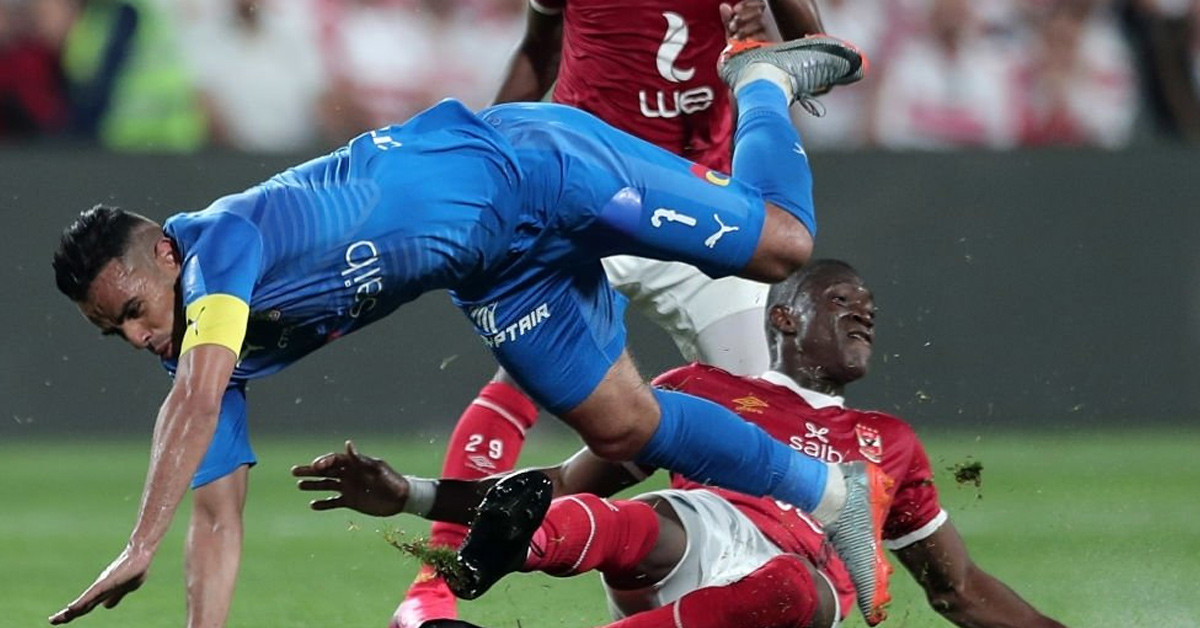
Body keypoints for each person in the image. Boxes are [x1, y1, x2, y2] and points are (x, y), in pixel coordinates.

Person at [47, 38, 888, 627]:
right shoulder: (202, 349)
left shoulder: (221, 244)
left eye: (133, 310)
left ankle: (760, 80)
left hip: (537, 168)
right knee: (625, 428)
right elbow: (216, 520)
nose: (137, 336)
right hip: (497, 268)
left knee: (783, 246)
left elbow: (195, 398)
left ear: (166, 254)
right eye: (112, 332)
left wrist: (138, 543)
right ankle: (833, 493)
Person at [294, 260, 1069, 628]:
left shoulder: (890, 441)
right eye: (842, 300)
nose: (864, 314)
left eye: (870, 307)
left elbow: (958, 589)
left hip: (799, 579)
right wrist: (410, 494)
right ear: (785, 317)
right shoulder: (702, 388)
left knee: (788, 587)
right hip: (698, 537)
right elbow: (560, 485)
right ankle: (495, 559)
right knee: (629, 519)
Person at [395, 2, 828, 625]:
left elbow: (815, 50)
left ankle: (733, 591)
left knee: (762, 410)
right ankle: (431, 590)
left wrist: (766, 47)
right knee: (521, 381)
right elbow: (537, 51)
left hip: (697, 207)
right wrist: (486, 170)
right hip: (585, 197)